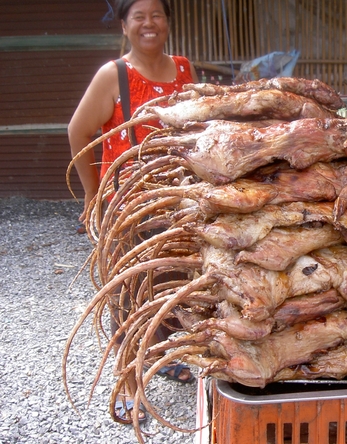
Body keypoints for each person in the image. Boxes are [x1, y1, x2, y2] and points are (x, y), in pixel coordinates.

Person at [68, 0, 199, 424]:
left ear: (167, 23)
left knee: (172, 285)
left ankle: (161, 357)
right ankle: (127, 383)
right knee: (129, 294)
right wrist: (93, 194)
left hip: (177, 203)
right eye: (139, 16)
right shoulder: (115, 75)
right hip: (128, 207)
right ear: (124, 25)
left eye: (157, 15)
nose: (149, 23)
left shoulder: (183, 68)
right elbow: (78, 131)